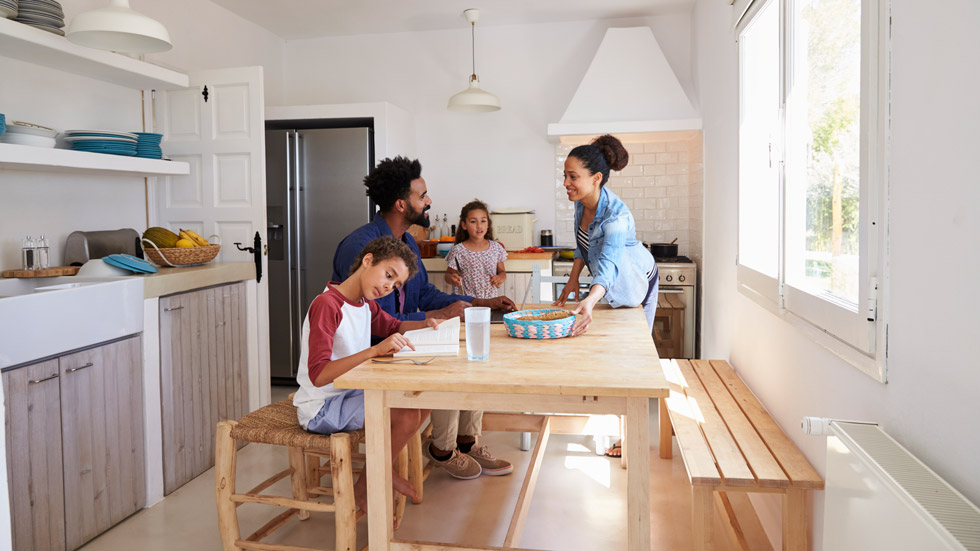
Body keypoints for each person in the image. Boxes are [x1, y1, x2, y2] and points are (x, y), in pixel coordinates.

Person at [332, 157, 516, 480]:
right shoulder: (362, 247)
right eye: (423, 195)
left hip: (402, 340)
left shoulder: (408, 244)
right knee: (454, 362)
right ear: (403, 204)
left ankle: (466, 440)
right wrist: (438, 315)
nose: (429, 201)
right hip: (372, 355)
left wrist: (479, 302)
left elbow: (426, 294)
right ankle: (441, 448)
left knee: (473, 353)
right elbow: (381, 322)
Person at [293, 236, 443, 513]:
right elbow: (318, 375)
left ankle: (378, 470)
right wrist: (373, 351)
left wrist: (428, 324)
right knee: (407, 413)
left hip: (349, 394)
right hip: (322, 407)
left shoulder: (364, 304)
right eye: (388, 275)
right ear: (368, 260)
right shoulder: (327, 305)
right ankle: (366, 485)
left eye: (396, 284)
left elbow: (395, 326)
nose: (388, 286)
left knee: (422, 398)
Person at [553, 134, 658, 457]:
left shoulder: (616, 219)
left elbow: (610, 264)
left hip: (634, 284)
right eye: (565, 176)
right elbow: (583, 247)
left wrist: (590, 298)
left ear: (595, 178)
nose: (566, 183)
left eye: (573, 177)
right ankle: (613, 426)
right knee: (606, 357)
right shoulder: (581, 204)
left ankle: (630, 438)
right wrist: (573, 281)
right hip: (605, 284)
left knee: (630, 361)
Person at [444, 199, 508, 298]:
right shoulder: (458, 250)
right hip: (465, 304)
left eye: (483, 221)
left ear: (488, 224)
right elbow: (448, 275)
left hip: (489, 303)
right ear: (464, 225)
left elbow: (502, 272)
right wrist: (452, 278)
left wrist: (500, 278)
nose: (479, 226)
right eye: (473, 221)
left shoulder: (496, 248)